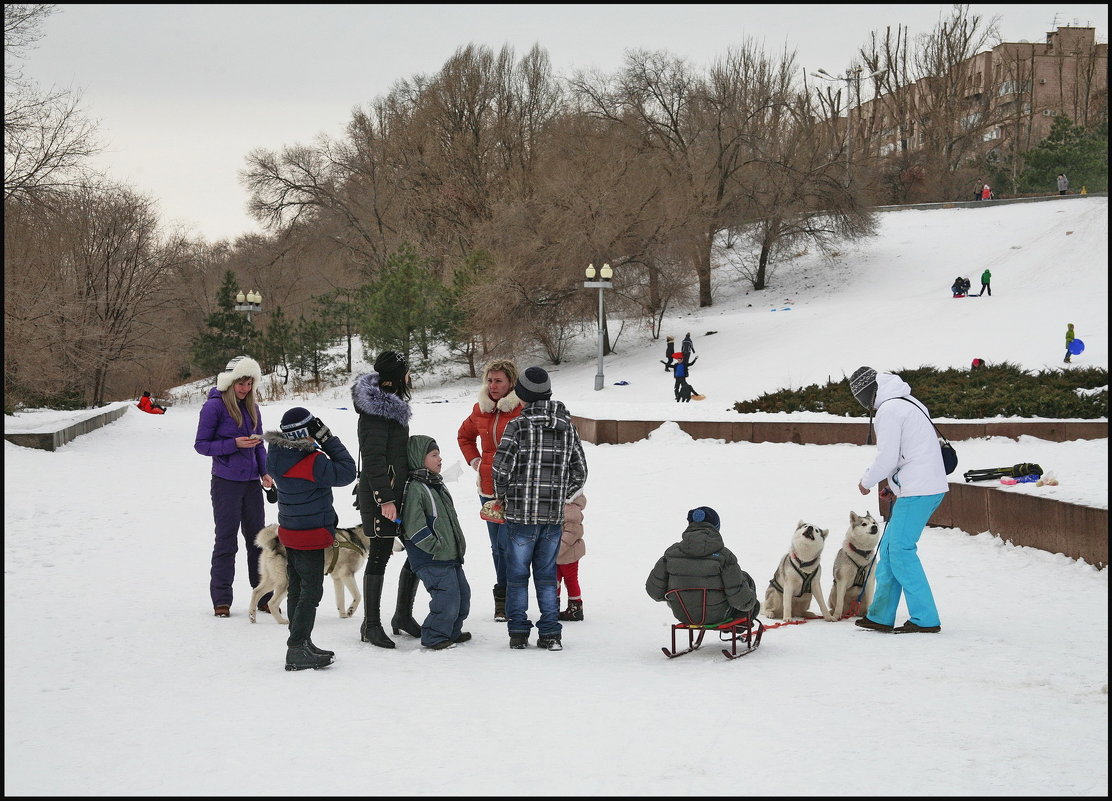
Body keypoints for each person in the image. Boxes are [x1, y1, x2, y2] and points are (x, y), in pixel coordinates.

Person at [491, 366, 588, 651]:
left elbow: (500, 469)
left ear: (522, 395)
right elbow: (579, 471)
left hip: (520, 515)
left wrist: (504, 497)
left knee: (517, 576)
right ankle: (550, 633)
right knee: (546, 576)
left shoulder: (518, 426)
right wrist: (560, 497)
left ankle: (519, 632)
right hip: (552, 517)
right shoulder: (566, 425)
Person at [849, 366, 949, 634]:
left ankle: (925, 618)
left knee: (901, 551)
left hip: (919, 489)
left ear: (868, 392)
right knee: (890, 550)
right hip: (922, 486)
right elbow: (914, 451)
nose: (862, 403)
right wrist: (895, 486)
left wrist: (866, 481)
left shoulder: (889, 410)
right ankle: (881, 615)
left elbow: (888, 457)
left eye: (861, 397)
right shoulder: (909, 401)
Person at [265, 407, 357, 670]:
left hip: (290, 532)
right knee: (311, 591)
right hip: (311, 535)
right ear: (306, 433)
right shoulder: (313, 462)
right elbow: (348, 471)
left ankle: (300, 640)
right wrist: (328, 439)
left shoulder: (276, 456)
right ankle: (296, 649)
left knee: (297, 588)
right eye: (313, 432)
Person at [352, 350, 423, 648]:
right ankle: (370, 625)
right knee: (379, 556)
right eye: (406, 371)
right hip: (384, 497)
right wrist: (384, 499)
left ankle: (402, 616)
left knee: (418, 551)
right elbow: (373, 459)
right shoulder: (376, 412)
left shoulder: (390, 408)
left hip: (399, 494)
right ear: (396, 376)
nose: (410, 377)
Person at [193, 355, 274, 617]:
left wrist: (265, 472)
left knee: (258, 542)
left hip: (251, 484)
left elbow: (259, 443)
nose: (245, 388)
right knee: (226, 541)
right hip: (225, 483)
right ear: (230, 381)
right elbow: (201, 445)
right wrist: (233, 444)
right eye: (241, 382)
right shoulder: (213, 407)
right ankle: (221, 600)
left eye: (249, 383)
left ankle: (263, 596)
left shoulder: (253, 407)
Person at [456, 359, 523, 622]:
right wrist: (475, 460)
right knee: (497, 547)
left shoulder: (520, 410)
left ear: (510, 383)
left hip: (515, 491)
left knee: (511, 545)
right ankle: (502, 597)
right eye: (490, 380)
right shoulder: (480, 409)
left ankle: (514, 596)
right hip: (487, 491)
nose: (493, 386)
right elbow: (464, 436)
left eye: (499, 381)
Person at [400, 434, 471, 650]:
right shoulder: (416, 488)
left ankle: (450, 631)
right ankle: (434, 636)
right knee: (446, 599)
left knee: (462, 596)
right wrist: (434, 546)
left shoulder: (436, 485)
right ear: (419, 458)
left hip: (450, 555)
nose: (440, 458)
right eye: (434, 454)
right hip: (432, 557)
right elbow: (414, 526)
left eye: (439, 453)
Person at [645, 506, 760, 625]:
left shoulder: (670, 555)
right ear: (716, 527)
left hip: (683, 614)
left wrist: (678, 597)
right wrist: (753, 604)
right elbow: (741, 601)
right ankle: (740, 623)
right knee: (744, 578)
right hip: (719, 615)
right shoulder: (725, 557)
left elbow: (654, 592)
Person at [557, 491, 587, 621]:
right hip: (556, 553)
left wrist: (557, 550)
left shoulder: (572, 509)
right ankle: (552, 607)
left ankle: (575, 609)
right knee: (554, 580)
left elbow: (572, 533)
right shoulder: (564, 505)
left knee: (570, 579)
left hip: (569, 554)